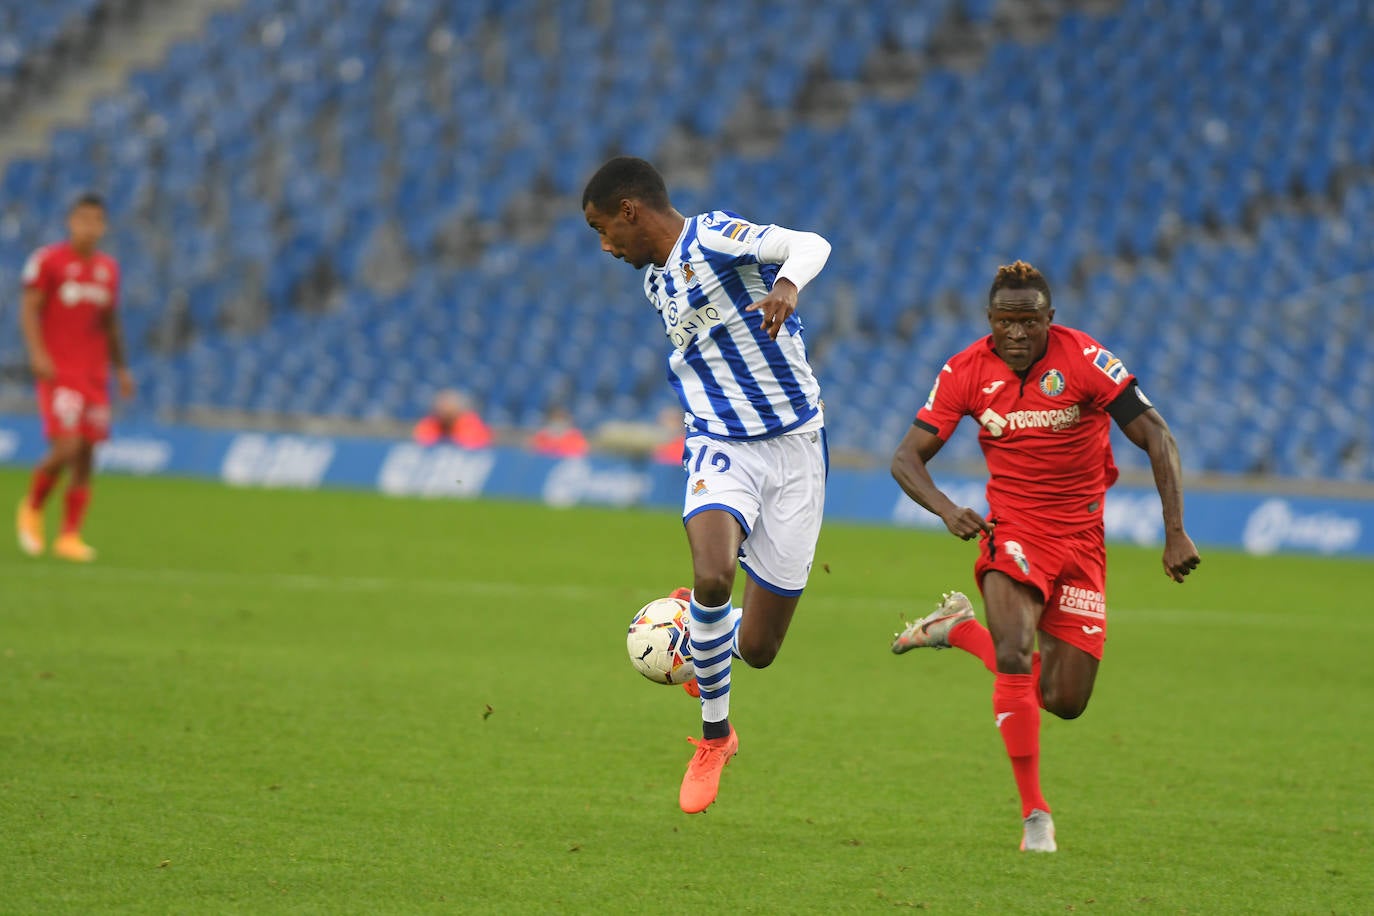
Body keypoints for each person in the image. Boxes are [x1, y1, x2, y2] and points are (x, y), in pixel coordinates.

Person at [889, 260, 1200, 852]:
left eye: (1028, 321)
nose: (1016, 333)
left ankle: (956, 630)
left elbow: (1156, 433)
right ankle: (1035, 814)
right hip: (1014, 531)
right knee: (1015, 652)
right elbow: (907, 458)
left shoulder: (1084, 359)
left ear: (1049, 319)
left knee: (1064, 701)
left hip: (1082, 540)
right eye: (1005, 320)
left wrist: (1175, 531)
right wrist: (949, 510)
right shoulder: (963, 370)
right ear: (990, 320)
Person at [583, 156, 832, 814]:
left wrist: (786, 286)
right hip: (719, 443)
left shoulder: (715, 236)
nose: (605, 246)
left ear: (632, 210)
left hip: (796, 449)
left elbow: (811, 244)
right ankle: (715, 737)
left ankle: (706, 633)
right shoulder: (655, 282)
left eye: (604, 229)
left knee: (760, 649)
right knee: (715, 577)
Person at [16, 192, 134, 562]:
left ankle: (69, 536)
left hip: (94, 374)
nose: (88, 227)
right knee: (66, 447)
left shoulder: (108, 270)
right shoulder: (48, 261)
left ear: (103, 226)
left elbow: (110, 324)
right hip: (59, 370)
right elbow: (29, 309)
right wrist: (37, 354)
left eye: (95, 220)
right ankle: (32, 506)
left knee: (86, 454)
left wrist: (120, 368)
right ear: (70, 222)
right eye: (82, 219)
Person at [412, 388, 492, 449]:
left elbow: (477, 444)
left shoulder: (469, 423)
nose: (446, 410)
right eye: (442, 406)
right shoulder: (430, 423)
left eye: (449, 406)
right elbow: (422, 442)